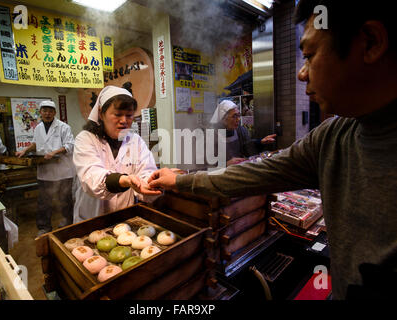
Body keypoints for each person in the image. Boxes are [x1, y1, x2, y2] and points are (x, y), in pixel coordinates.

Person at [149, 0, 397, 300]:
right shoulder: (333, 137)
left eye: (309, 55)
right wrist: (179, 181)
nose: (301, 74)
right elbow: (259, 172)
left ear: (370, 42)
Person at [73, 85, 161, 222]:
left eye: (129, 115)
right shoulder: (85, 139)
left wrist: (154, 181)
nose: (124, 121)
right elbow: (92, 177)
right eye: (118, 114)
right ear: (101, 113)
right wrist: (125, 180)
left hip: (125, 218)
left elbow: (146, 171)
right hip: (92, 218)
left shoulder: (135, 141)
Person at [15, 100, 76, 236]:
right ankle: (44, 227)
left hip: (63, 171)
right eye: (44, 111)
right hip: (45, 172)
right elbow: (36, 143)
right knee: (43, 201)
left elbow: (70, 145)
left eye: (50, 111)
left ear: (54, 112)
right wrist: (24, 150)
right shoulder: (38, 128)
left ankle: (67, 224)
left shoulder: (63, 127)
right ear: (40, 112)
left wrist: (54, 152)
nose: (47, 113)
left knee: (65, 200)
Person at [210, 100, 276, 166]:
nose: (238, 119)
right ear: (223, 118)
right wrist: (225, 164)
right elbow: (203, 168)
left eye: (239, 115)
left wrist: (260, 142)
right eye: (234, 116)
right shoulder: (211, 136)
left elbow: (247, 146)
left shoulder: (239, 130)